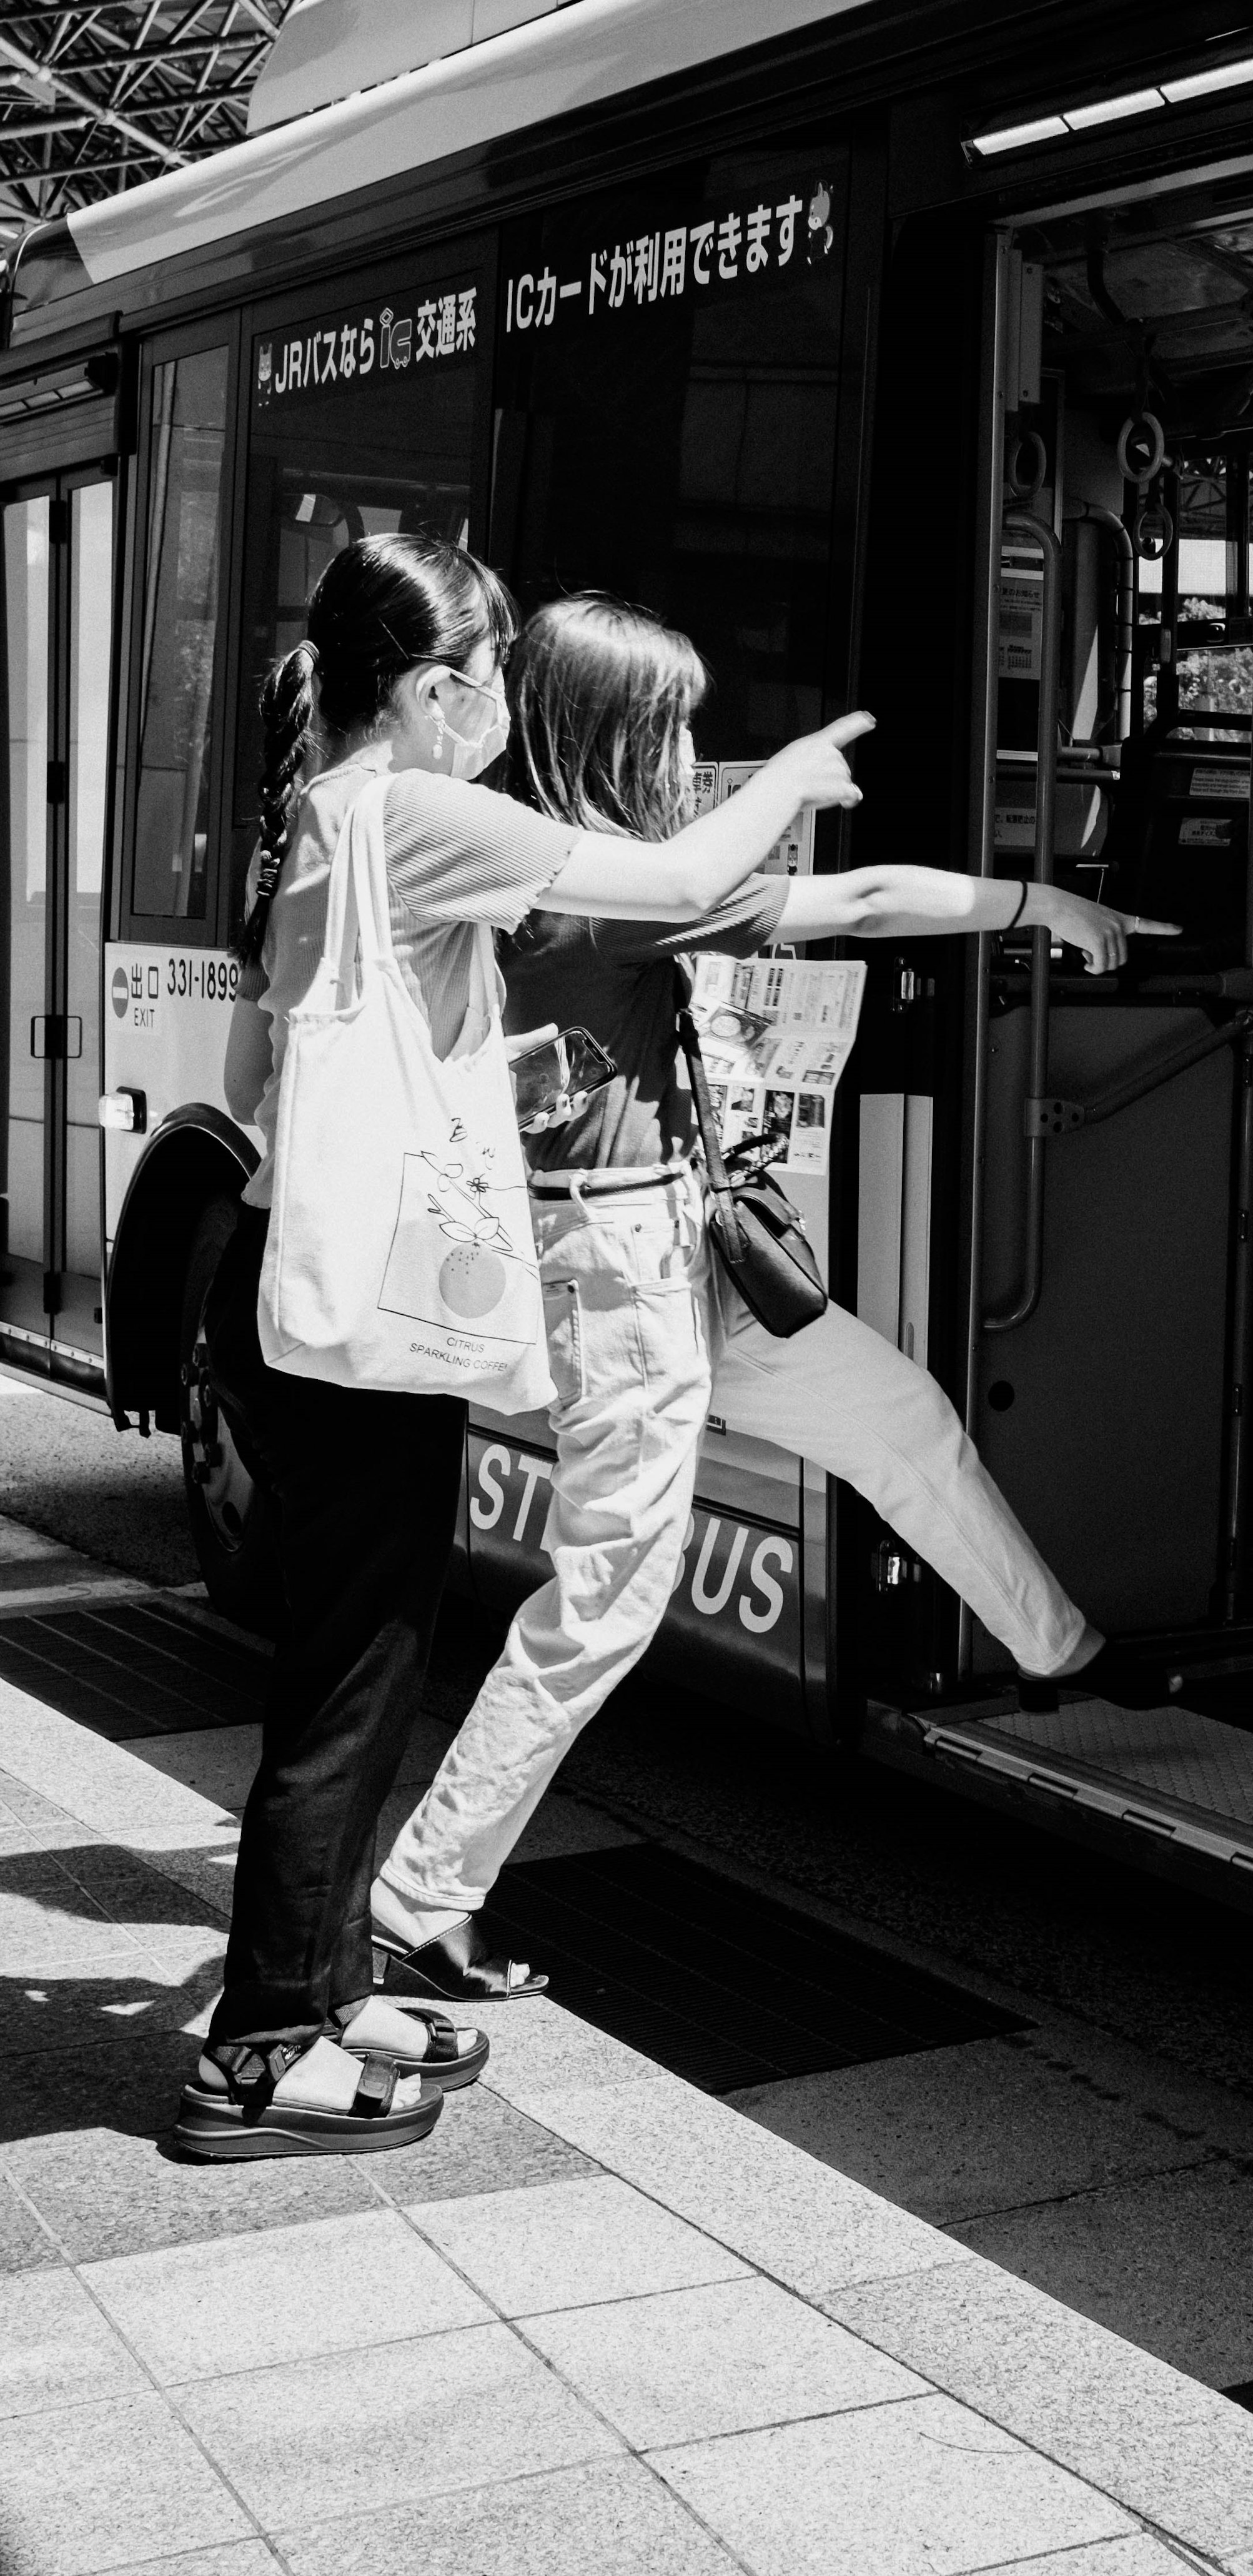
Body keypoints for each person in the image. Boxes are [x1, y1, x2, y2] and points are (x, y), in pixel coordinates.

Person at [369, 592, 1174, 2007]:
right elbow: (855, 898)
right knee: (607, 1596)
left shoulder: (569, 872)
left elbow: (826, 902)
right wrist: (1036, 899)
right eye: (669, 725)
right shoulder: (603, 888)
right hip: (621, 1267)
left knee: (895, 1412)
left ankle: (1061, 1651)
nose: (688, 752)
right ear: (612, 730)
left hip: (673, 1256)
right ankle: (420, 1895)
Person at [179, 538, 869, 2159]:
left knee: (366, 1669)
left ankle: (329, 1990)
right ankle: (267, 2041)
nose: (500, 701)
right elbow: (688, 887)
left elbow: (318, 1065)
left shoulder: (333, 815)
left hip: (338, 1305)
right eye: (486, 672)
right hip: (352, 1323)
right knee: (347, 1690)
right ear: (432, 690)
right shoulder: (408, 811)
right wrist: (806, 775)